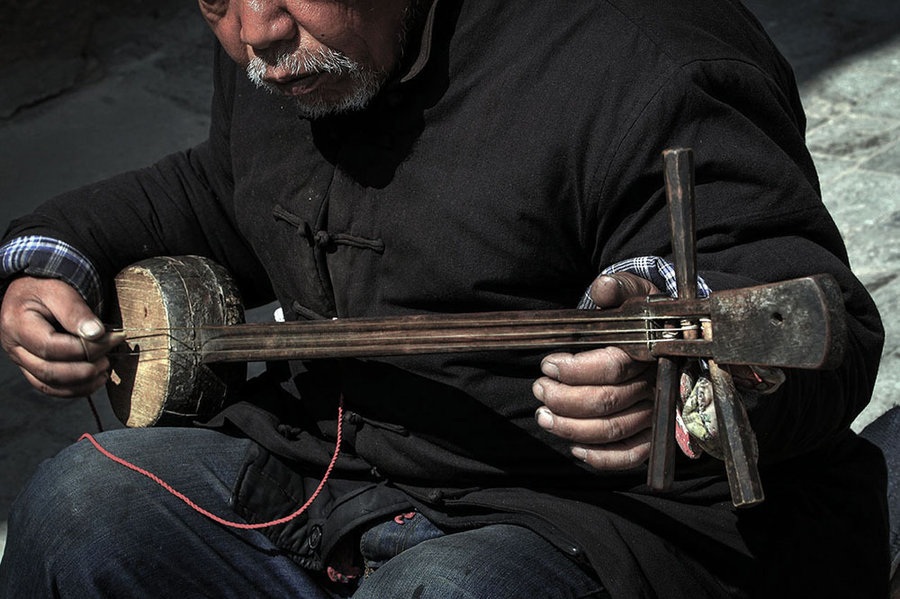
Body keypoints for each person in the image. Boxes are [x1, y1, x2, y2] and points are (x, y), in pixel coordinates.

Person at [0, 0, 891, 596]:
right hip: (336, 477)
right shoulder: (293, 46)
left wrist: (688, 387)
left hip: (590, 517)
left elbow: (812, 315)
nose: (255, 32)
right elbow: (226, 190)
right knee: (79, 504)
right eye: (214, 0)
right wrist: (54, 255)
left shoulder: (643, 49)